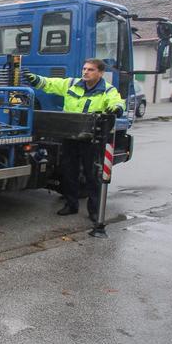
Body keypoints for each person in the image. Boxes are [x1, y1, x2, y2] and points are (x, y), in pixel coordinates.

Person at [26, 59, 124, 237]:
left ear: (100, 73)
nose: (85, 72)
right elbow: (50, 84)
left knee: (91, 175)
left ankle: (94, 211)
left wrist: (116, 108)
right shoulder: (72, 84)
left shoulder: (108, 90)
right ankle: (71, 205)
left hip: (92, 139)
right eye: (84, 69)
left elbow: (118, 102)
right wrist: (34, 79)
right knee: (68, 171)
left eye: (91, 70)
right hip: (70, 135)